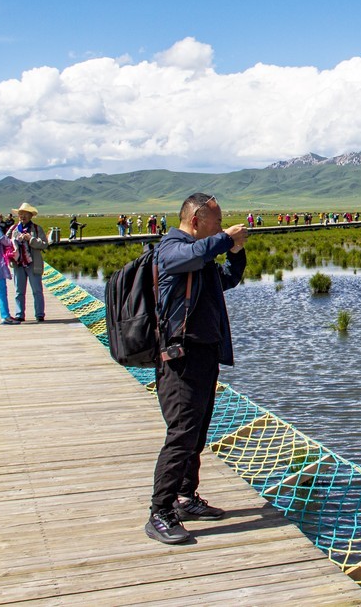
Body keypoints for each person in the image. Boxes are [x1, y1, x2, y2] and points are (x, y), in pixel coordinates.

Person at [145, 193, 248, 545]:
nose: (221, 227)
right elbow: (189, 256)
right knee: (182, 434)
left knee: (198, 432)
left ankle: (187, 498)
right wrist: (225, 240)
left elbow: (226, 280)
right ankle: (160, 511)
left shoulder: (198, 256)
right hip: (180, 358)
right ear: (196, 221)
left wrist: (235, 253)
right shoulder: (172, 248)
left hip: (203, 356)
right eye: (216, 222)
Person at [9, 203, 49, 322]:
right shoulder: (13, 229)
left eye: (25, 214)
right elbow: (7, 244)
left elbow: (44, 244)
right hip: (18, 264)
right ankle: (19, 314)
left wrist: (30, 239)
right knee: (18, 291)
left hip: (33, 264)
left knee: (37, 290)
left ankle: (39, 314)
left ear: (31, 216)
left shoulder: (37, 229)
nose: (22, 216)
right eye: (21, 214)